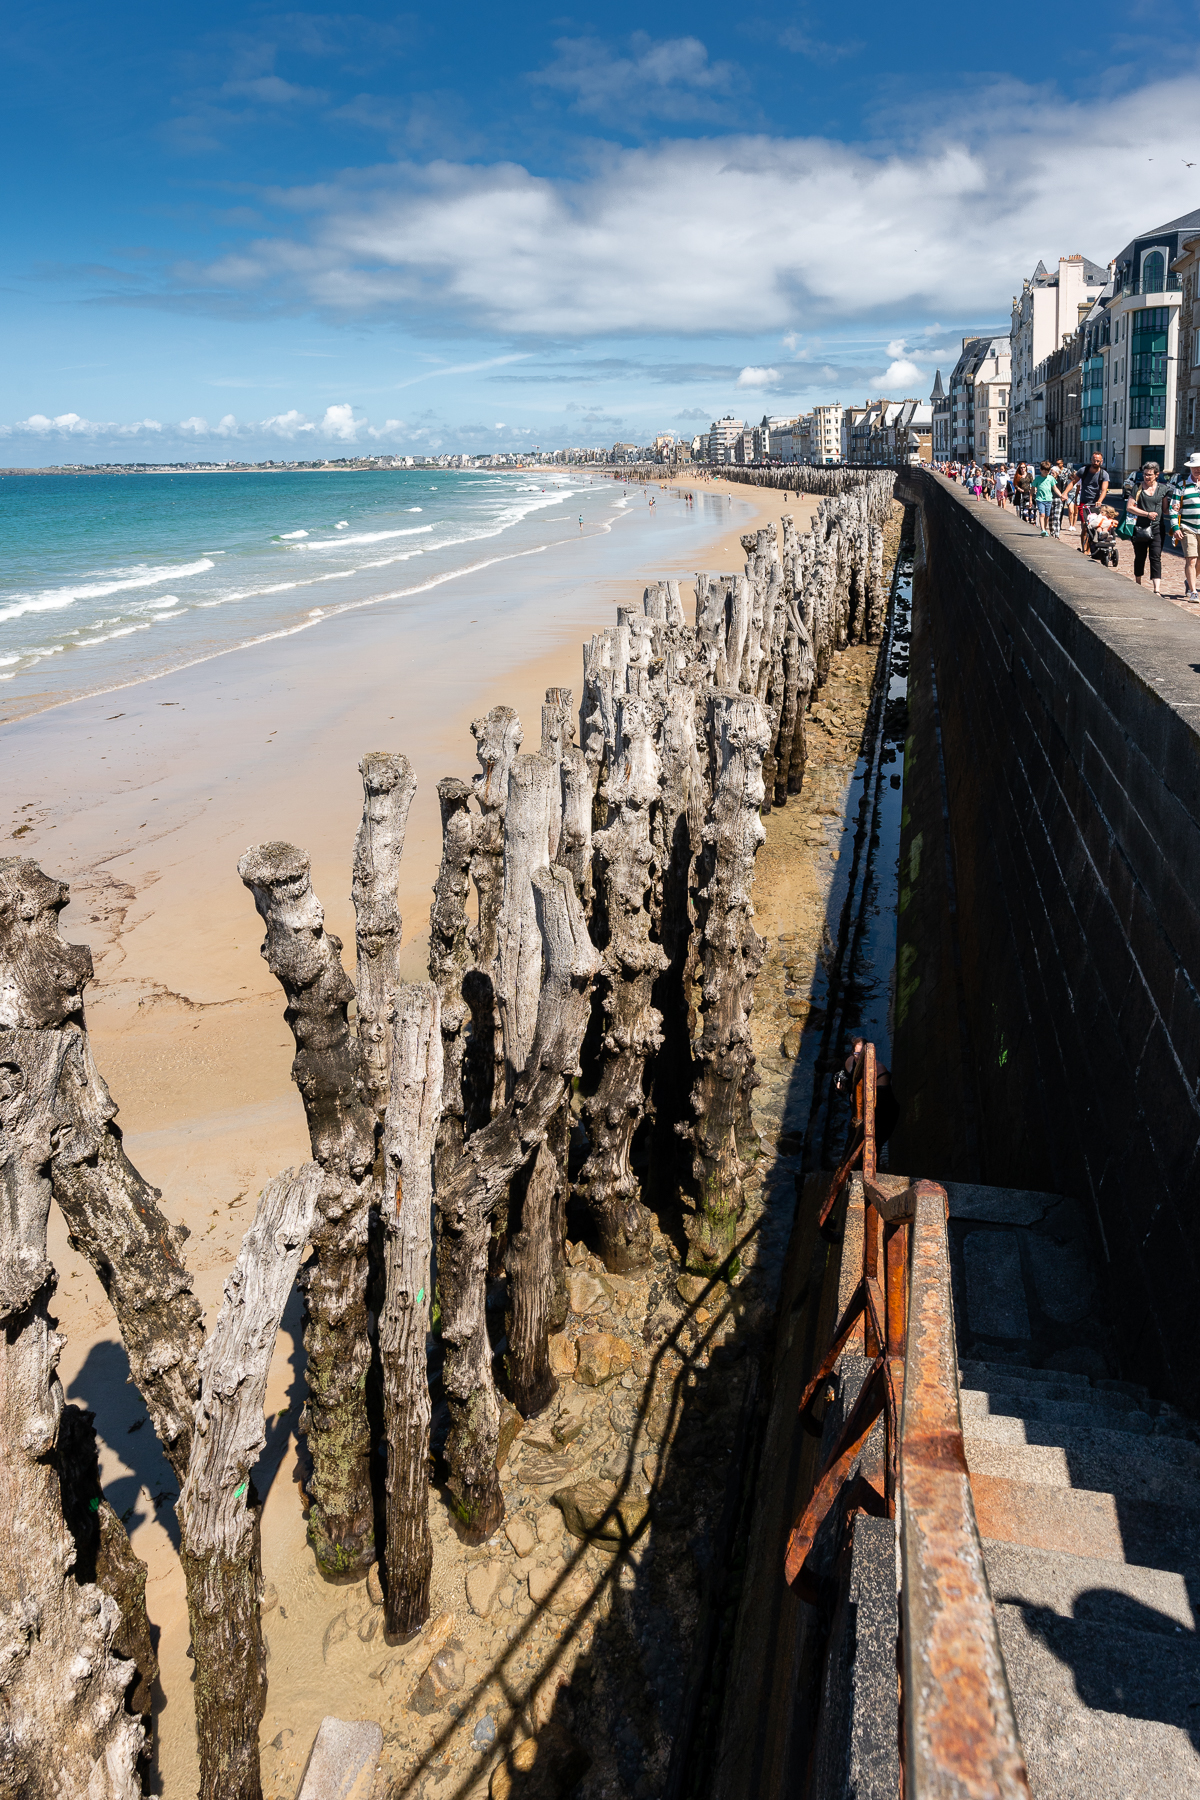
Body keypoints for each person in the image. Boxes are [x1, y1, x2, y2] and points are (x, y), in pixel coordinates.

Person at [834, 1035, 900, 1153]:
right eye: (856, 1054)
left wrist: (860, 1098)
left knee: (874, 1146)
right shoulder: (850, 1062)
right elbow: (845, 1077)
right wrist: (841, 1084)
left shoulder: (880, 1072)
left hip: (883, 1116)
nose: (859, 1058)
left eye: (862, 1054)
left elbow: (882, 1101)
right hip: (858, 1114)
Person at [1126, 461, 1172, 594]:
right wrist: (1147, 514)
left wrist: (1175, 508)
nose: (1146, 477)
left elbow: (1165, 510)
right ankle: (1138, 582)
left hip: (1157, 528)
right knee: (1140, 556)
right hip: (1140, 528)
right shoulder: (1137, 487)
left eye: (1150, 475)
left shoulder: (1162, 489)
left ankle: (1156, 589)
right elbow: (1130, 507)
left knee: (1155, 556)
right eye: (1145, 474)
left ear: (1157, 475)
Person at [1170, 451, 1200, 601]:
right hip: (1188, 527)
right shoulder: (1182, 486)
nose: (1197, 470)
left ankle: (1189, 581)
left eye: (1199, 467)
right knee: (1191, 559)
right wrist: (1176, 527)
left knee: (1199, 561)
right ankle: (1194, 591)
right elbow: (1173, 508)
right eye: (1194, 467)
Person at [1077, 453, 1109, 551]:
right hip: (1084, 502)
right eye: (1094, 460)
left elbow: (1104, 490)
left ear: (1101, 461)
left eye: (1098, 461)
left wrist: (1099, 501)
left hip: (1096, 504)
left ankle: (1093, 546)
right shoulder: (1084, 470)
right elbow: (1074, 482)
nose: (1095, 462)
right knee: (1085, 526)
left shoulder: (1104, 474)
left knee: (1096, 525)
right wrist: (1065, 493)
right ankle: (1085, 549)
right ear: (1091, 459)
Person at [1033, 460, 1058, 536]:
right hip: (1040, 499)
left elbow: (1055, 488)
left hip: (1049, 499)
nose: (1046, 473)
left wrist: (1061, 495)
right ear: (1041, 470)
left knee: (1047, 516)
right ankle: (1043, 529)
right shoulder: (1037, 479)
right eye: (1045, 471)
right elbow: (1032, 488)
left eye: (1048, 471)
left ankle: (1045, 528)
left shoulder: (1051, 478)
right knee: (1042, 514)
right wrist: (1031, 497)